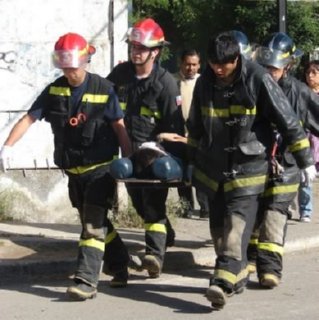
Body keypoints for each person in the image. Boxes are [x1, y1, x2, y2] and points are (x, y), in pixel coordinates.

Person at [186, 31, 315, 309]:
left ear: (237, 59)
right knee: (219, 230)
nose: (219, 70)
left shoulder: (257, 78)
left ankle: (221, 282)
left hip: (250, 166)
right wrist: (191, 160)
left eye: (225, 65)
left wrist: (306, 160)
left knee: (238, 226)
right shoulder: (205, 82)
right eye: (214, 64)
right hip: (213, 167)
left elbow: (288, 120)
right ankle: (238, 275)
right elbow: (195, 124)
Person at [0, 33, 132, 300]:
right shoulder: (54, 90)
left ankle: (86, 280)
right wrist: (7, 148)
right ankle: (120, 264)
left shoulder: (103, 89)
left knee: (92, 225)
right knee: (94, 221)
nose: (68, 69)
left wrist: (129, 161)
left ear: (85, 59)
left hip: (100, 170)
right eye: (63, 62)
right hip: (73, 172)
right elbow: (29, 118)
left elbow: (119, 126)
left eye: (72, 62)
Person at [106, 18, 185, 278]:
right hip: (128, 155)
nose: (135, 52)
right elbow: (103, 100)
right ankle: (166, 232)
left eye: (141, 48)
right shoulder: (120, 75)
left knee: (152, 204)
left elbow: (175, 127)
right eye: (133, 47)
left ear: (156, 51)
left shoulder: (165, 83)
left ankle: (154, 256)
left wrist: (177, 162)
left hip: (155, 156)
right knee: (139, 203)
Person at [245, 32, 319, 289]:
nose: (269, 71)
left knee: (275, 215)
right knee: (254, 213)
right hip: (256, 163)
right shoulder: (252, 87)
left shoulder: (300, 94)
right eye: (266, 66)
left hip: (286, 166)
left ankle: (270, 269)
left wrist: (307, 161)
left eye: (274, 68)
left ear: (287, 66)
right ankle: (251, 259)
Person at [175, 49, 209, 219]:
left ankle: (205, 209)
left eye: (194, 64)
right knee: (183, 172)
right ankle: (186, 207)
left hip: (200, 135)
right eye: (187, 64)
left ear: (199, 65)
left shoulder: (205, 83)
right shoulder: (173, 82)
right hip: (179, 135)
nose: (190, 68)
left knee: (201, 171)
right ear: (181, 63)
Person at [297, 59, 319, 222]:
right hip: (306, 140)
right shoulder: (301, 93)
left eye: (314, 73)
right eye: (308, 73)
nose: (310, 76)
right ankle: (305, 210)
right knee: (305, 177)